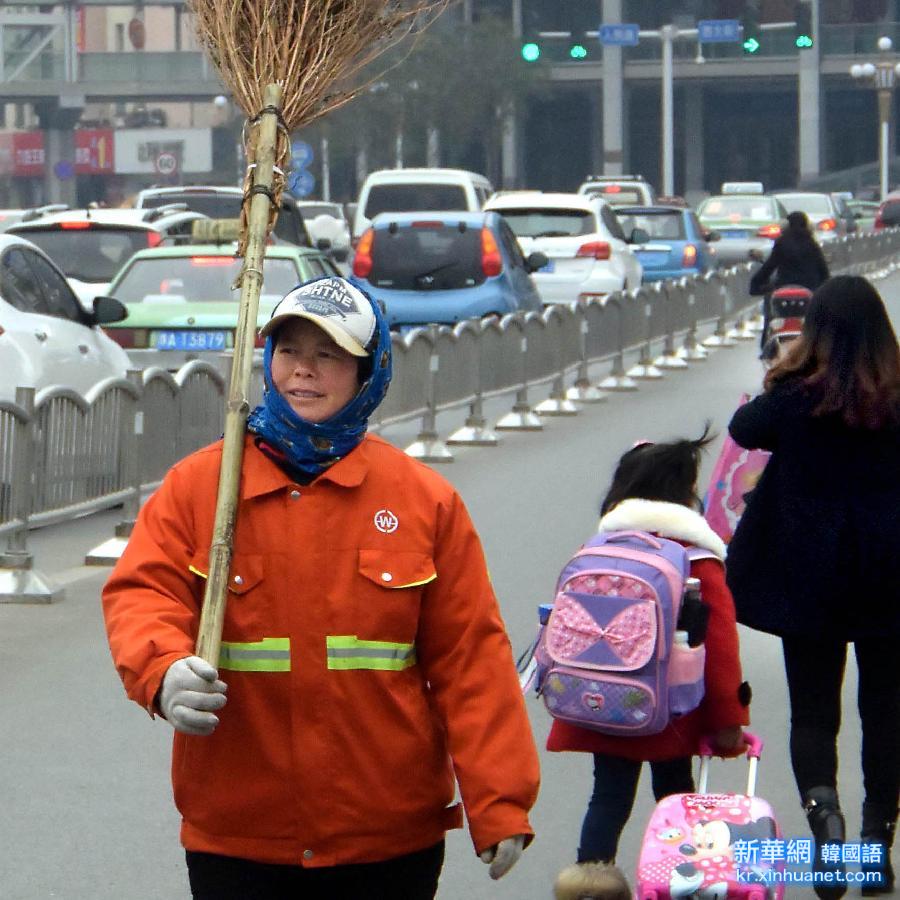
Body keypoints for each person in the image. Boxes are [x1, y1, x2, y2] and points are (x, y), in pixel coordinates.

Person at [102, 275, 540, 900]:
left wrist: (499, 800)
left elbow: (471, 659)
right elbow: (143, 594)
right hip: (240, 835)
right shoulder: (200, 488)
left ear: (368, 372)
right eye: (288, 352)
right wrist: (163, 669)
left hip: (387, 839)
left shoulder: (423, 501)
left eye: (327, 355)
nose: (302, 371)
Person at [726, 275, 900, 899]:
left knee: (813, 712)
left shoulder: (798, 398)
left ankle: (825, 833)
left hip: (810, 578)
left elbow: (743, 428)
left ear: (817, 331)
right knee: (885, 712)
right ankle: (877, 847)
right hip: (890, 579)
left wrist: (785, 367)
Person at [549, 430, 751, 900]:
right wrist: (729, 720)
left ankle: (590, 883)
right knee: (677, 794)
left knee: (608, 795)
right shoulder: (697, 559)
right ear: (685, 494)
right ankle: (685, 878)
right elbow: (721, 648)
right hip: (675, 708)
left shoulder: (601, 551)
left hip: (606, 701)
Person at [749, 210, 830, 351]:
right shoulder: (811, 244)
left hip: (783, 289)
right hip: (810, 290)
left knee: (770, 316)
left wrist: (756, 285)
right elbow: (823, 272)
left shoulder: (782, 243)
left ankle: (766, 347)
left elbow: (769, 266)